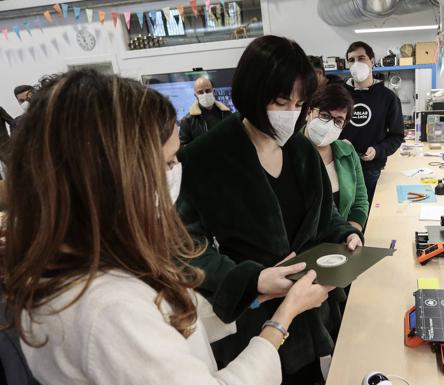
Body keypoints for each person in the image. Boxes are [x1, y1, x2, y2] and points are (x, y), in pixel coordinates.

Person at [1, 69, 332, 385]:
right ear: (113, 177)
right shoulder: (108, 307)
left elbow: (172, 327)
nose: (176, 173)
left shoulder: (100, 260)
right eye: (169, 162)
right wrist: (283, 318)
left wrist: (255, 291)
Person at [177, 35, 363, 384]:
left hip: (308, 309)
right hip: (250, 320)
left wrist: (346, 234)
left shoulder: (301, 152)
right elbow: (186, 248)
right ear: (252, 92)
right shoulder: (205, 157)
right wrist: (252, 280)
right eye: (281, 101)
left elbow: (326, 217)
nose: (290, 113)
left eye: (299, 103)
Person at [340, 41, 404, 205]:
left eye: (361, 58)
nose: (356, 64)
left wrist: (378, 150)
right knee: (343, 215)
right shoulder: (339, 96)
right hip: (341, 168)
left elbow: (397, 136)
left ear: (372, 61)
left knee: (368, 214)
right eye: (351, 60)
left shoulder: (388, 98)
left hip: (372, 169)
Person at [304, 84, 369, 231]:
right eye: (325, 115)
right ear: (308, 112)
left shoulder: (348, 152)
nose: (329, 125)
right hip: (301, 248)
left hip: (340, 242)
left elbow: (360, 201)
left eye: (338, 120)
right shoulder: (288, 151)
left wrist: (351, 233)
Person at [180, 77, 231, 145]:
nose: (205, 94)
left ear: (214, 91)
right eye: (200, 92)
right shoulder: (187, 121)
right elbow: (184, 147)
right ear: (196, 95)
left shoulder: (226, 114)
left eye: (208, 91)